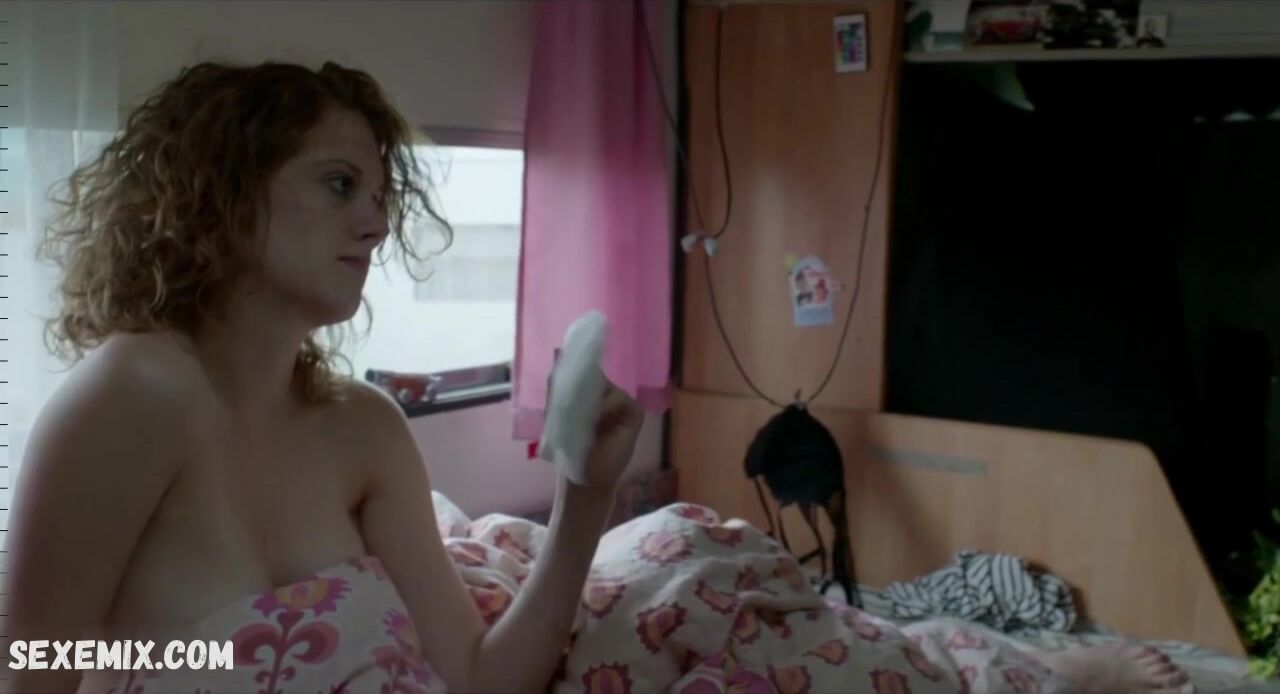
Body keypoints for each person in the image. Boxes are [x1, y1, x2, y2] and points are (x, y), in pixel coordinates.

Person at [3, 60, 1198, 694]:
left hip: (538, 600)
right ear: (218, 195)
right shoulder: (134, 395)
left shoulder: (357, 422)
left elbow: (481, 678)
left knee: (700, 571)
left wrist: (580, 500)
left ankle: (1007, 672)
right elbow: (33, 665)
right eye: (337, 184)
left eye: (379, 189)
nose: (374, 218)